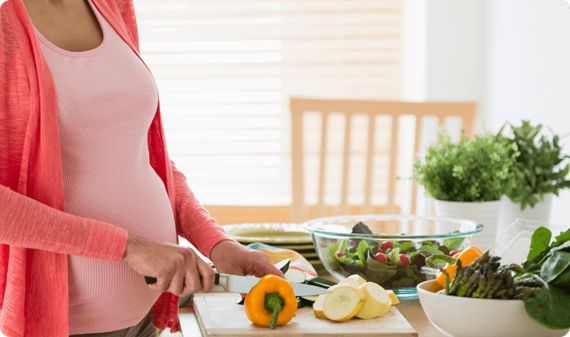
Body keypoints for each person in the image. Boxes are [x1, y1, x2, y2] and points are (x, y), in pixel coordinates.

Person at [0, 0, 284, 336]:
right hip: (62, 326)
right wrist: (129, 248)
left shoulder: (110, 4)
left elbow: (140, 155)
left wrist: (214, 242)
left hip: (144, 320)